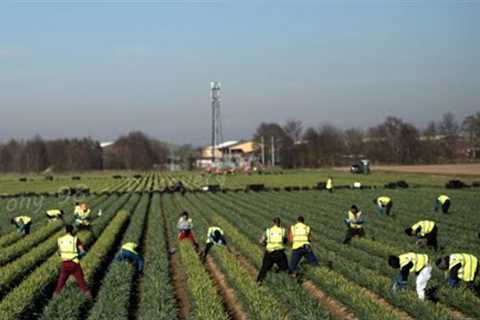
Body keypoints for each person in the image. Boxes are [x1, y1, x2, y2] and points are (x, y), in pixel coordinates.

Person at [54, 224, 91, 296]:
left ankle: (53, 300)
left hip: (64, 264)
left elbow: (59, 252)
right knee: (82, 283)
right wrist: (78, 256)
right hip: (74, 263)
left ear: (65, 230)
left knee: (60, 284)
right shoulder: (75, 239)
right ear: (72, 230)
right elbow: (83, 251)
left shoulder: (60, 240)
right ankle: (90, 300)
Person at [257, 217, 289, 283]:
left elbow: (261, 241)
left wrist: (265, 244)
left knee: (264, 268)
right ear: (279, 223)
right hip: (279, 252)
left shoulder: (268, 231)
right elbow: (285, 241)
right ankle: (292, 278)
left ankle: (259, 281)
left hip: (269, 252)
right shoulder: (283, 230)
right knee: (285, 267)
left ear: (273, 223)